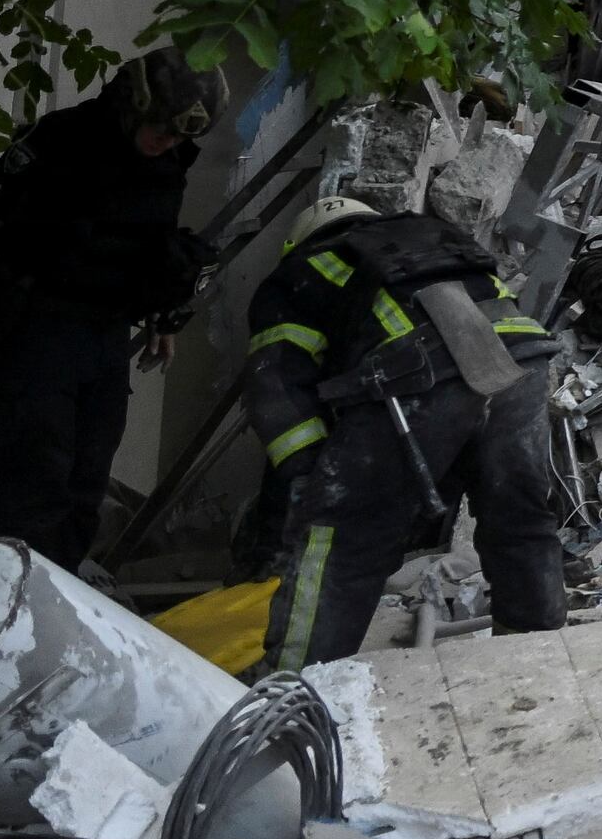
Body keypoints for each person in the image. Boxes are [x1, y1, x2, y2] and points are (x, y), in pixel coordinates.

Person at [238, 200, 572, 672]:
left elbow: (275, 387)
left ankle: (293, 686)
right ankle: (535, 662)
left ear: (300, 242)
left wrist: (308, 477)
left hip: (415, 376)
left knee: (340, 541)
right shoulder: (431, 236)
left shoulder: (301, 271)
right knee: (520, 520)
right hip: (522, 361)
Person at [0, 51, 210, 567]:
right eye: (159, 128)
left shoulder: (167, 163)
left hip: (104, 338)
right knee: (37, 485)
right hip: (39, 329)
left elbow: (150, 243)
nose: (165, 142)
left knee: (85, 486)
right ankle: (13, 614)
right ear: (132, 106)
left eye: (178, 137)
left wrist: (162, 314)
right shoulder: (62, 138)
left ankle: (52, 610)